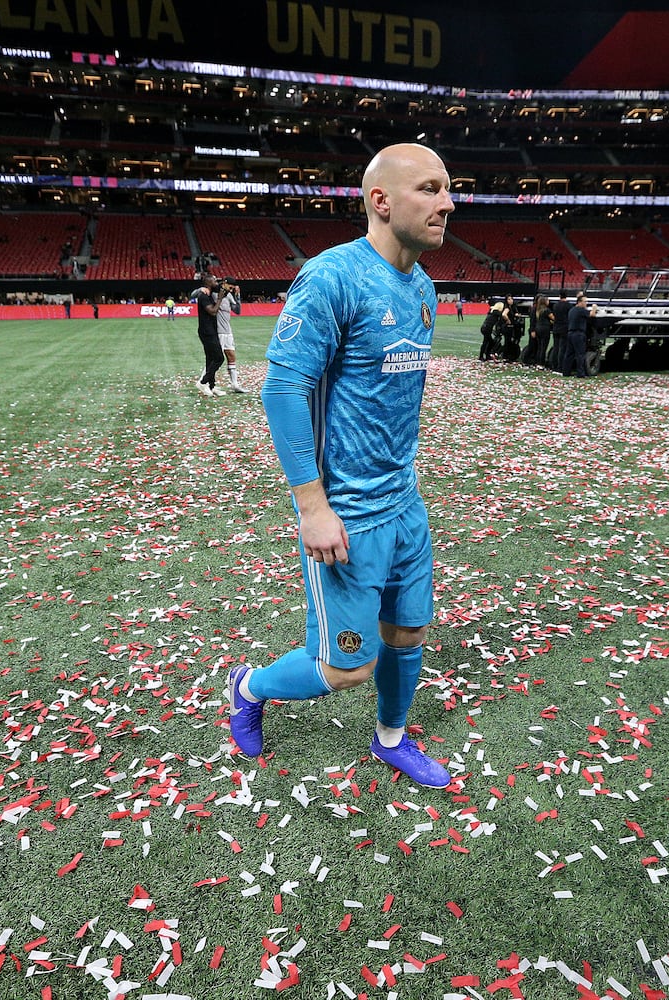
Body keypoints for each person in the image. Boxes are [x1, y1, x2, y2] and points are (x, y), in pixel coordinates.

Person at [231, 142, 456, 789]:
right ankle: (248, 686)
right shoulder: (332, 277)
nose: (448, 202)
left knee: (409, 633)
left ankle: (390, 739)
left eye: (448, 188)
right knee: (344, 669)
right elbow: (283, 388)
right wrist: (312, 506)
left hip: (404, 504)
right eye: (431, 188)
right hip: (348, 515)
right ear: (381, 201)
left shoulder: (422, 289)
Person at [193, 277, 225, 396]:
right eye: (214, 281)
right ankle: (203, 382)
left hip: (211, 330)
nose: (216, 283)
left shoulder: (210, 294)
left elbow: (223, 288)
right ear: (208, 283)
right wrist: (220, 299)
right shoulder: (203, 296)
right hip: (207, 332)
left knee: (210, 359)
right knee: (219, 358)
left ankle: (211, 386)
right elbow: (212, 311)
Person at [215, 279, 246, 392]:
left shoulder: (229, 296)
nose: (231, 290)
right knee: (215, 359)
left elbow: (237, 311)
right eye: (231, 287)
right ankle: (205, 382)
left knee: (231, 356)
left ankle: (235, 385)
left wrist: (237, 296)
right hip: (219, 331)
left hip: (228, 331)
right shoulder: (215, 295)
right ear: (224, 284)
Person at [564, 292, 591, 377]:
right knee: (580, 354)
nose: (586, 303)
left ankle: (566, 372)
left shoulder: (572, 310)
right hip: (578, 334)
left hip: (570, 333)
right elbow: (592, 315)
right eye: (585, 301)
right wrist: (594, 308)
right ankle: (580, 373)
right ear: (580, 302)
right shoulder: (581, 310)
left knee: (569, 354)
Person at [524, 295, 554, 366]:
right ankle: (541, 363)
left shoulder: (537, 310)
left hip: (538, 329)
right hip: (544, 329)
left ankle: (537, 362)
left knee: (540, 347)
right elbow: (553, 318)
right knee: (543, 347)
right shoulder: (546, 310)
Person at [548, 292, 572, 371]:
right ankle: (560, 366)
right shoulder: (569, 306)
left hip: (556, 328)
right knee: (562, 348)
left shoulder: (555, 305)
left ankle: (553, 365)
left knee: (556, 347)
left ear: (559, 296)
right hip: (564, 328)